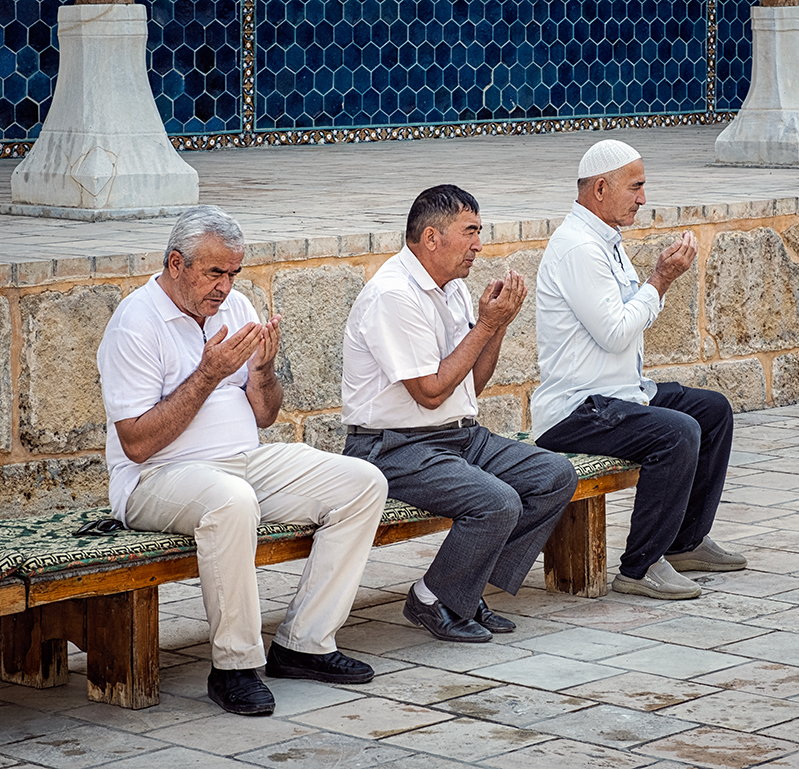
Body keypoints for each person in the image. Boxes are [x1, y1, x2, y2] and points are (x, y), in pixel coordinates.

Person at [97, 205, 388, 716]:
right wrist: (208, 375)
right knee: (232, 503)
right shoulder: (134, 323)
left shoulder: (238, 310)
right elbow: (137, 444)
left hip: (244, 460)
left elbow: (265, 414)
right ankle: (234, 666)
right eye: (214, 273)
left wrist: (265, 370)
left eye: (234, 273)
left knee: (362, 482)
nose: (225, 288)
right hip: (155, 479)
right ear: (175, 263)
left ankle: (304, 642)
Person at [341, 184, 577, 643]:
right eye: (470, 232)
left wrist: (498, 326)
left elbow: (471, 383)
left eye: (480, 232)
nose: (479, 245)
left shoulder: (455, 291)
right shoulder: (393, 293)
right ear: (432, 238)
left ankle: (462, 589)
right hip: (393, 445)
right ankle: (433, 596)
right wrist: (487, 324)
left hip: (458, 436)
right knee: (497, 501)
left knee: (554, 475)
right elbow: (429, 393)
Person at [532, 139, 746, 601]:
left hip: (619, 395)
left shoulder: (603, 241)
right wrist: (661, 280)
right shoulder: (578, 248)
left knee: (712, 411)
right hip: (577, 410)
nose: (644, 198)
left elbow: (625, 315)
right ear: (602, 188)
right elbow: (614, 332)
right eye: (637, 186)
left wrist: (654, 282)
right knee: (677, 432)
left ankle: (684, 542)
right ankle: (640, 566)